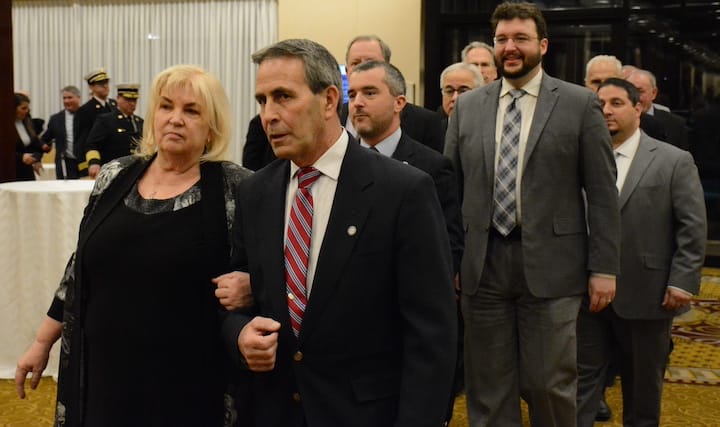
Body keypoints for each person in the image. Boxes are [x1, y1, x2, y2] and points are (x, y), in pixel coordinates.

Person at [223, 38, 457, 427]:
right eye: (262, 100)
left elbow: (431, 333)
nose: (269, 115)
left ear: (330, 100)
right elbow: (237, 295)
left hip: (364, 413)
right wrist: (239, 334)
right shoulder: (256, 191)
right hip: (273, 410)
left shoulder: (402, 190)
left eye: (283, 96)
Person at [15, 64, 252, 427]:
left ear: (212, 126)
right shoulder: (114, 175)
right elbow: (79, 269)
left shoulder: (235, 188)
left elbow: (264, 268)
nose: (175, 119)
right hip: (103, 372)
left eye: (191, 111)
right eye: (166, 106)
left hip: (187, 382)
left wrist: (251, 286)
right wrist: (41, 342)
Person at [444, 3, 621, 426]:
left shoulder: (580, 105)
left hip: (554, 268)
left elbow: (601, 193)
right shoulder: (469, 108)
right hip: (481, 266)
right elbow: (448, 191)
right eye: (502, 39)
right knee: (487, 387)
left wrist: (605, 269)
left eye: (520, 38)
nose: (510, 47)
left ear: (542, 44)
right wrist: (450, 258)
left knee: (549, 383)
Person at [576, 78, 707, 427]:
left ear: (639, 108)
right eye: (599, 104)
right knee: (579, 385)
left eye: (616, 103)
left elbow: (691, 227)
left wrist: (682, 281)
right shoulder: (578, 158)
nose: (605, 111)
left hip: (648, 292)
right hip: (584, 293)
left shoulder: (673, 161)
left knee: (642, 390)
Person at [349, 59, 463, 424]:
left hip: (403, 327)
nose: (357, 103)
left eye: (369, 92)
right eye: (352, 94)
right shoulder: (337, 166)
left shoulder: (430, 167)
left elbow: (450, 248)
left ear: (400, 102)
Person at [341, 35, 446, 152]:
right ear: (346, 71)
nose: (363, 68)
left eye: (371, 63)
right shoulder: (333, 116)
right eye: (355, 63)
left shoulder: (424, 122)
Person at [85, 83, 144, 178]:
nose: (132, 103)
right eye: (128, 99)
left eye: (134, 100)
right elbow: (92, 145)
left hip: (136, 173)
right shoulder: (106, 120)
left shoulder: (140, 122)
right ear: (118, 99)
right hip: (113, 173)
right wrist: (94, 163)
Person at [626, 68, 688, 150]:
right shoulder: (616, 122)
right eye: (630, 92)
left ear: (654, 93)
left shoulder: (676, 124)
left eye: (640, 91)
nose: (635, 97)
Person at [75, 68, 118, 175]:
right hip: (97, 162)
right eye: (100, 83)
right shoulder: (85, 110)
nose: (105, 86)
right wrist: (86, 165)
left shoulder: (114, 105)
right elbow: (82, 140)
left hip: (115, 161)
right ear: (91, 87)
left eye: (106, 82)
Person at [41, 86, 83, 179]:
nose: (66, 101)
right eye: (64, 98)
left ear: (78, 98)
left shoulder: (87, 115)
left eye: (70, 97)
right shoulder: (56, 119)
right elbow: (45, 139)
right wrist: (45, 145)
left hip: (85, 162)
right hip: (65, 164)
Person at [439, 62, 484, 131]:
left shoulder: (490, 130)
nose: (455, 98)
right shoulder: (433, 131)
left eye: (463, 91)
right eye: (449, 91)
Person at [14, 92, 44, 181]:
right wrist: (21, 157)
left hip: (27, 171)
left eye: (28, 108)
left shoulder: (27, 123)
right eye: (23, 108)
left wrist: (37, 159)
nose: (27, 111)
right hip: (11, 170)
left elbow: (35, 144)